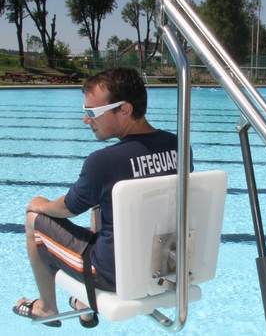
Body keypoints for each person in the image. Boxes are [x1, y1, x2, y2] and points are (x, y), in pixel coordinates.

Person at [12, 67, 192, 328]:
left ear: (125, 110)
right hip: (166, 265)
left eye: (92, 113)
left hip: (111, 273)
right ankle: (85, 305)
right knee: (103, 202)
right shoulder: (179, 146)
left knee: (33, 220)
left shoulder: (104, 162)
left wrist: (42, 204)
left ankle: (46, 308)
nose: (86, 121)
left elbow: (68, 208)